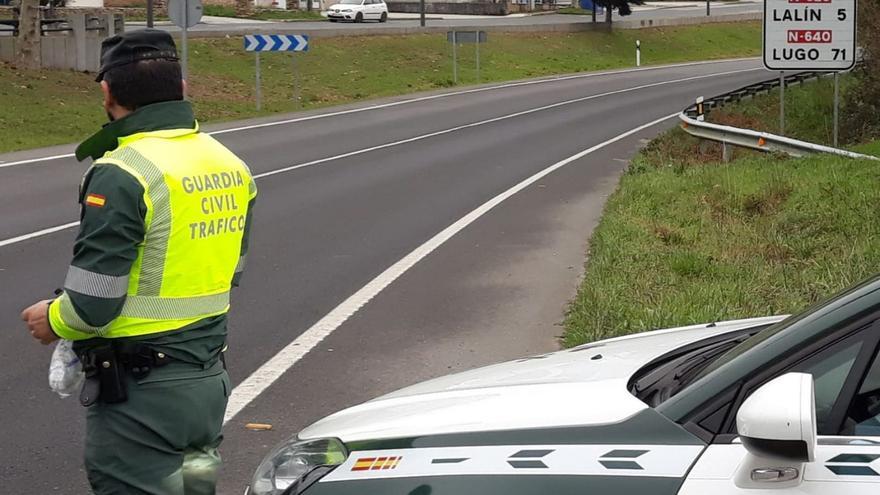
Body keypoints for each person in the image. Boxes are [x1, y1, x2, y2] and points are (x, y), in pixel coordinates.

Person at [20, 29, 257, 495]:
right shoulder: (230, 164)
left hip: (142, 393)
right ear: (182, 88)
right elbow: (232, 270)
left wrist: (52, 319)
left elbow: (92, 305)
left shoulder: (125, 170)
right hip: (206, 385)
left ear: (108, 93)